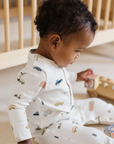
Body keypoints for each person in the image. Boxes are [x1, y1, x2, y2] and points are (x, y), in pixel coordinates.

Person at [7, 0, 114, 144]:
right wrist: (24, 140)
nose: (78, 55)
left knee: (98, 104)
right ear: (55, 42)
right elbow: (16, 105)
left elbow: (56, 79)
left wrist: (77, 76)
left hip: (69, 110)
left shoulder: (51, 61)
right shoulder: (35, 73)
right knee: (94, 137)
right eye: (77, 50)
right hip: (52, 126)